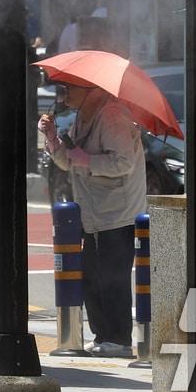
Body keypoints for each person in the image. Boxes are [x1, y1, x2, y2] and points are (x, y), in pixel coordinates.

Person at [39, 82, 146, 358]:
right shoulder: (82, 116)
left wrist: (86, 159)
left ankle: (119, 339)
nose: (65, 93)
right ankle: (103, 336)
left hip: (116, 212)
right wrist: (52, 138)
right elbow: (69, 162)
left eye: (71, 88)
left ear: (93, 89)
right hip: (92, 211)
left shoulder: (112, 116)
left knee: (112, 276)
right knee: (90, 275)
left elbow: (123, 163)